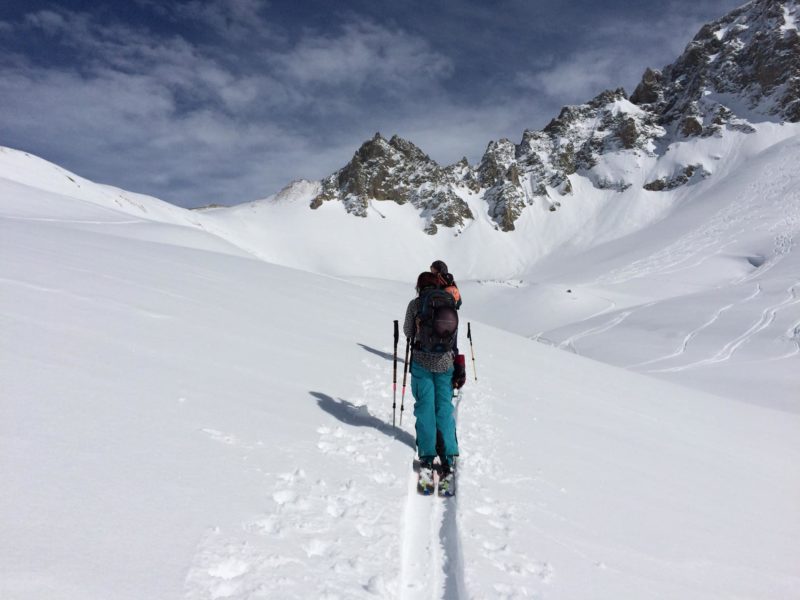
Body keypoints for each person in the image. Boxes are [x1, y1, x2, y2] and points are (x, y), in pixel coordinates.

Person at [404, 271, 460, 493]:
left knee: (425, 409)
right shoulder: (449, 301)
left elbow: (408, 331)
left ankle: (427, 458)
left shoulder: (416, 304)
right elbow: (453, 337)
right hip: (445, 363)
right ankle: (448, 458)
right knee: (444, 409)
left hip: (422, 363)